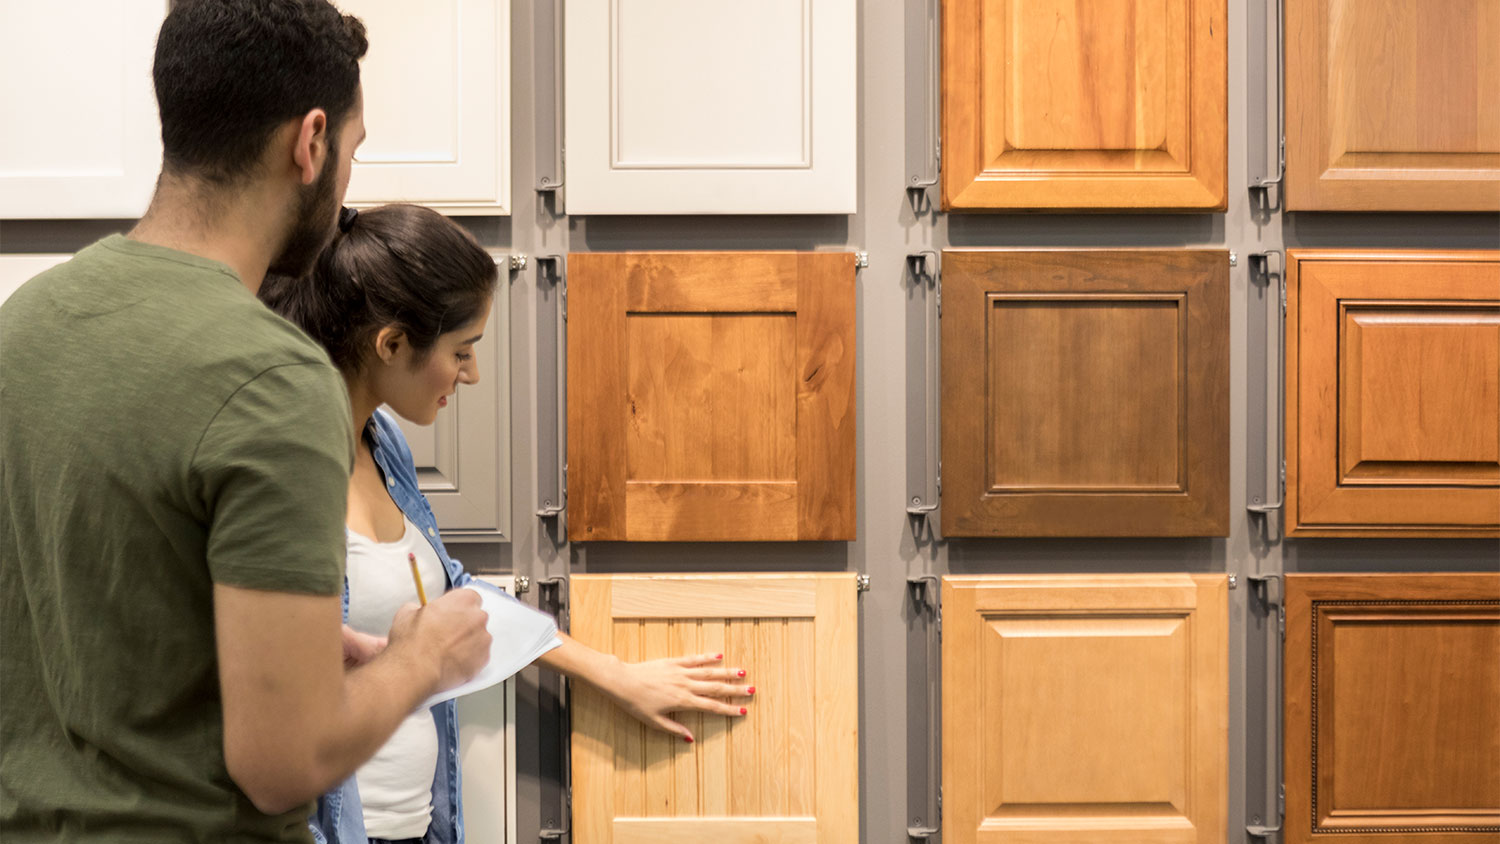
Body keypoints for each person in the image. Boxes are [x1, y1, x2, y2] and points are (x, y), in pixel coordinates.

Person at [0, 3, 492, 841]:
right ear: (309, 142)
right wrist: (423, 658)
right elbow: (284, 764)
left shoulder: (29, 321)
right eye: (353, 148)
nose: (346, 188)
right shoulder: (275, 378)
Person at [260, 203, 755, 844]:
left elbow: (452, 593)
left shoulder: (382, 444)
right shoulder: (280, 465)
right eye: (462, 351)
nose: (471, 374)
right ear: (391, 344)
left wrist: (617, 676)